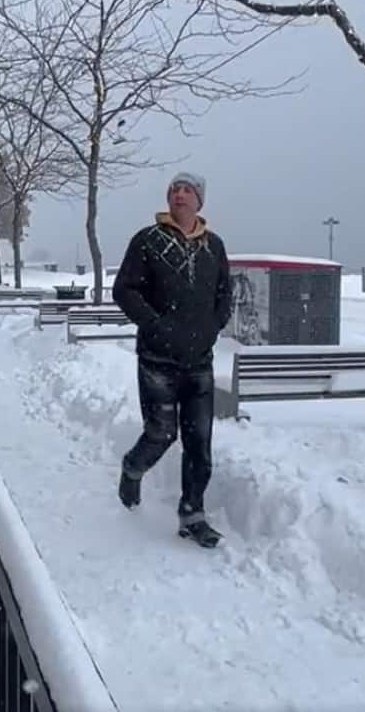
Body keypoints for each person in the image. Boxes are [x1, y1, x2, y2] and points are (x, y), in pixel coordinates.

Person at [112, 171, 232, 548]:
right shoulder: (148, 241)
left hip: (200, 361)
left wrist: (212, 327)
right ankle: (133, 467)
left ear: (199, 200)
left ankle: (192, 513)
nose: (179, 195)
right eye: (174, 190)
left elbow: (224, 296)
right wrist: (156, 324)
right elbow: (124, 290)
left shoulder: (214, 246)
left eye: (187, 190)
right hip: (157, 359)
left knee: (199, 443)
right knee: (162, 433)